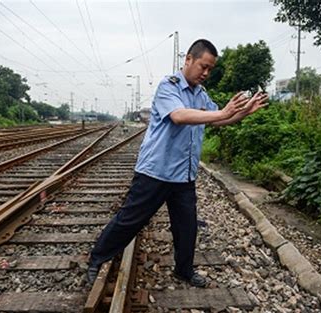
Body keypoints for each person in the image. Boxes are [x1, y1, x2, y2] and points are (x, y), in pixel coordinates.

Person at [87, 39, 268, 287]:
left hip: (184, 175)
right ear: (188, 60)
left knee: (187, 227)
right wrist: (223, 113)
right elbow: (179, 116)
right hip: (156, 171)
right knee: (131, 219)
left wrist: (242, 112)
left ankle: (183, 270)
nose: (205, 73)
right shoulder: (168, 87)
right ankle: (97, 258)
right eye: (203, 66)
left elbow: (215, 119)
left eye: (210, 69)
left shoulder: (201, 94)